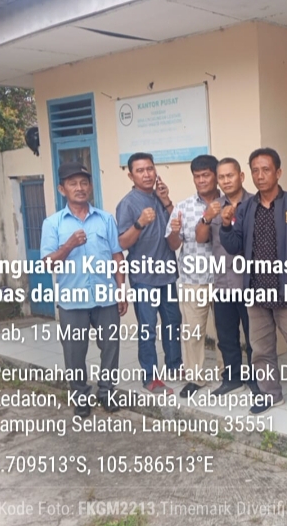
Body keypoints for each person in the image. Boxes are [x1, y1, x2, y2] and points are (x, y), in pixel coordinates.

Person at [220, 147, 287, 421]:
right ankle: (270, 393)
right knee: (261, 351)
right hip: (256, 292)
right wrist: (225, 225)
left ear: (278, 172)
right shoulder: (246, 208)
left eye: (266, 170)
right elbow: (234, 246)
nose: (260, 176)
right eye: (255, 171)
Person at [40, 161, 127, 416]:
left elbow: (117, 256)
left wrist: (121, 290)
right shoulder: (53, 223)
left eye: (84, 182)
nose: (79, 188)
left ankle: (106, 393)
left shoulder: (105, 219)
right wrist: (68, 246)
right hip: (72, 301)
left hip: (106, 297)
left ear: (90, 186)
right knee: (74, 353)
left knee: (110, 349)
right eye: (73, 183)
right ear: (62, 189)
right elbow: (47, 264)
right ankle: (80, 397)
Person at [116, 152, 182, 394]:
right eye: (140, 170)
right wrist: (140, 223)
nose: (146, 174)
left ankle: (174, 366)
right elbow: (122, 243)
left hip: (167, 274)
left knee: (173, 322)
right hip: (144, 278)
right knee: (148, 327)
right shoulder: (128, 204)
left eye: (150, 169)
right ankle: (150, 377)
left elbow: (176, 238)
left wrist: (166, 200)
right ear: (130, 175)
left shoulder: (160, 198)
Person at [165, 155, 220, 398]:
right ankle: (195, 378)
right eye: (197, 176)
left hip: (223, 280)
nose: (201, 180)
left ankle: (227, 375)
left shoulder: (228, 202)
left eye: (206, 175)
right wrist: (175, 232)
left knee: (225, 332)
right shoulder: (182, 207)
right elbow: (173, 244)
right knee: (193, 333)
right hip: (193, 280)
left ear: (215, 175)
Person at [208, 157, 258, 396]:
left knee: (254, 337)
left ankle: (257, 379)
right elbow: (201, 237)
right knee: (226, 336)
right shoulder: (214, 207)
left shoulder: (255, 204)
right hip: (222, 283)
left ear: (241, 176)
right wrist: (207, 217)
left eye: (230, 175)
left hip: (249, 283)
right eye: (222, 177)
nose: (226, 180)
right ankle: (232, 378)